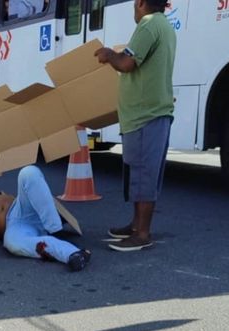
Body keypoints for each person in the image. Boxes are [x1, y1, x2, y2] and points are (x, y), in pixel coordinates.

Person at [95, 0, 176, 252]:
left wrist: (108, 55)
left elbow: (127, 63)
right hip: (146, 114)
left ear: (140, 3)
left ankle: (141, 234)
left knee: (143, 176)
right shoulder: (164, 25)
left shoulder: (148, 25)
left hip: (145, 115)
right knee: (139, 175)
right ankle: (135, 225)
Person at [0, 166, 91, 272]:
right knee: (11, 243)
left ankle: (55, 229)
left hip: (22, 206)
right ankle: (73, 253)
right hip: (16, 226)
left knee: (28, 172)